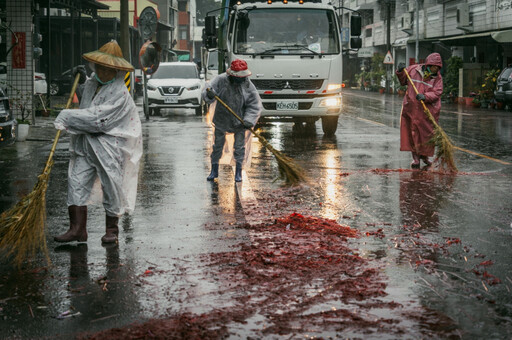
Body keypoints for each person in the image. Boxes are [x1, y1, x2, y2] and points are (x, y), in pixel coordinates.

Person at [53, 40, 143, 244]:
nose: (102, 72)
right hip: (85, 145)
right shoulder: (93, 82)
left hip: (109, 146)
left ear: (116, 70)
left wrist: (66, 116)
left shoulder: (120, 93)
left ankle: (112, 229)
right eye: (99, 67)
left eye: (107, 69)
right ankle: (77, 229)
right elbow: (87, 99)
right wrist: (80, 78)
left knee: (111, 185)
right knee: (75, 182)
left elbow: (97, 119)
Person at [203, 59, 262, 182]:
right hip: (222, 118)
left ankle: (238, 171)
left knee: (239, 147)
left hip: (239, 121)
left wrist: (249, 120)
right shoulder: (220, 80)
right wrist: (209, 94)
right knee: (218, 145)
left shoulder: (247, 85)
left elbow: (254, 104)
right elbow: (208, 89)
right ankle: (214, 170)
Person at [396, 53, 443, 169]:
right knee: (413, 133)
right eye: (433, 67)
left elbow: (437, 92)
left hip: (427, 111)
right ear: (428, 64)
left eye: (437, 67)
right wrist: (400, 71)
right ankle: (416, 158)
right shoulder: (413, 70)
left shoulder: (437, 78)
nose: (435, 69)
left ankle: (424, 156)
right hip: (411, 109)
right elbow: (403, 81)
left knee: (426, 135)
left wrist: (425, 96)